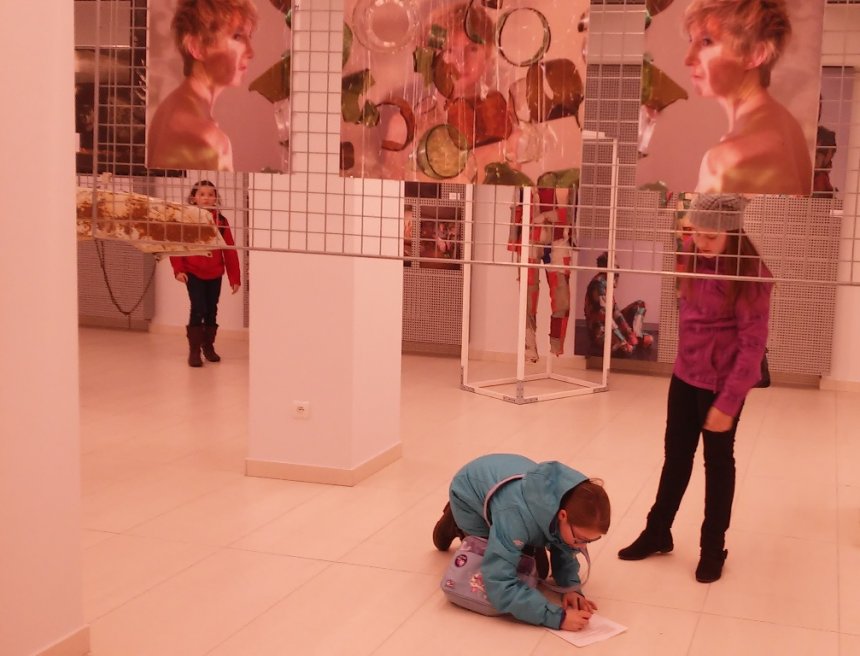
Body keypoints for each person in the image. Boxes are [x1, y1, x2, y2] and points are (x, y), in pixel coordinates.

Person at [618, 194, 772, 583]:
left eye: (710, 236)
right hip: (685, 375)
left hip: (722, 385)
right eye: (695, 232)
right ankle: (658, 531)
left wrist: (729, 403)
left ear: (732, 232)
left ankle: (713, 547)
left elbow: (753, 347)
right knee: (675, 457)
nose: (699, 242)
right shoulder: (690, 251)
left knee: (718, 464)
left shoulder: (751, 275)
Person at [432, 453, 611, 631]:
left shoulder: (568, 500)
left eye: (590, 541)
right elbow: (498, 583)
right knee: (533, 570)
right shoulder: (515, 517)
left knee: (537, 567)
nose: (582, 546)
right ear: (563, 515)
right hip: (468, 491)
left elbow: (561, 541)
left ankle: (505, 525)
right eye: (580, 539)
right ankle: (454, 520)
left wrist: (569, 587)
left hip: (505, 486)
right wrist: (557, 618)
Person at [683, 0, 812, 195]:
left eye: (706, 41)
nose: (688, 59)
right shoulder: (788, 126)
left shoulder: (729, 160)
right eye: (691, 41)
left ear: (755, 54)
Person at [147, 0, 257, 171]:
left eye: (249, 36)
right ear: (197, 47)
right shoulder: (207, 139)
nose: (251, 52)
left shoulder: (168, 108)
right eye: (237, 36)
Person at [170, 181, 241, 367]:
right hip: (193, 272)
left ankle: (208, 346)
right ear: (194, 198)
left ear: (216, 198)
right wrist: (178, 269)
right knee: (198, 308)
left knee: (211, 309)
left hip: (215, 273)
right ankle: (194, 351)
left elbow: (229, 250)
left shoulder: (221, 221)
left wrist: (235, 278)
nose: (206, 198)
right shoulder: (186, 219)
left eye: (210, 194)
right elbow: (176, 244)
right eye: (202, 194)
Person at [507, 187, 574, 362]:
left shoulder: (566, 179)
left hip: (559, 240)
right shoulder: (525, 180)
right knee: (528, 297)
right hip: (529, 239)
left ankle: (556, 344)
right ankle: (529, 347)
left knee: (562, 298)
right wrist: (513, 241)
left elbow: (570, 212)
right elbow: (516, 207)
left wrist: (546, 216)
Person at [584, 252, 653, 356]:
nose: (618, 272)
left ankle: (637, 337)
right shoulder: (598, 286)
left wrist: (630, 334)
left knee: (640, 305)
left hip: (610, 325)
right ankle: (618, 344)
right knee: (626, 350)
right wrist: (622, 339)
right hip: (600, 330)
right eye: (616, 267)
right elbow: (606, 317)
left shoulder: (606, 283)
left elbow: (616, 312)